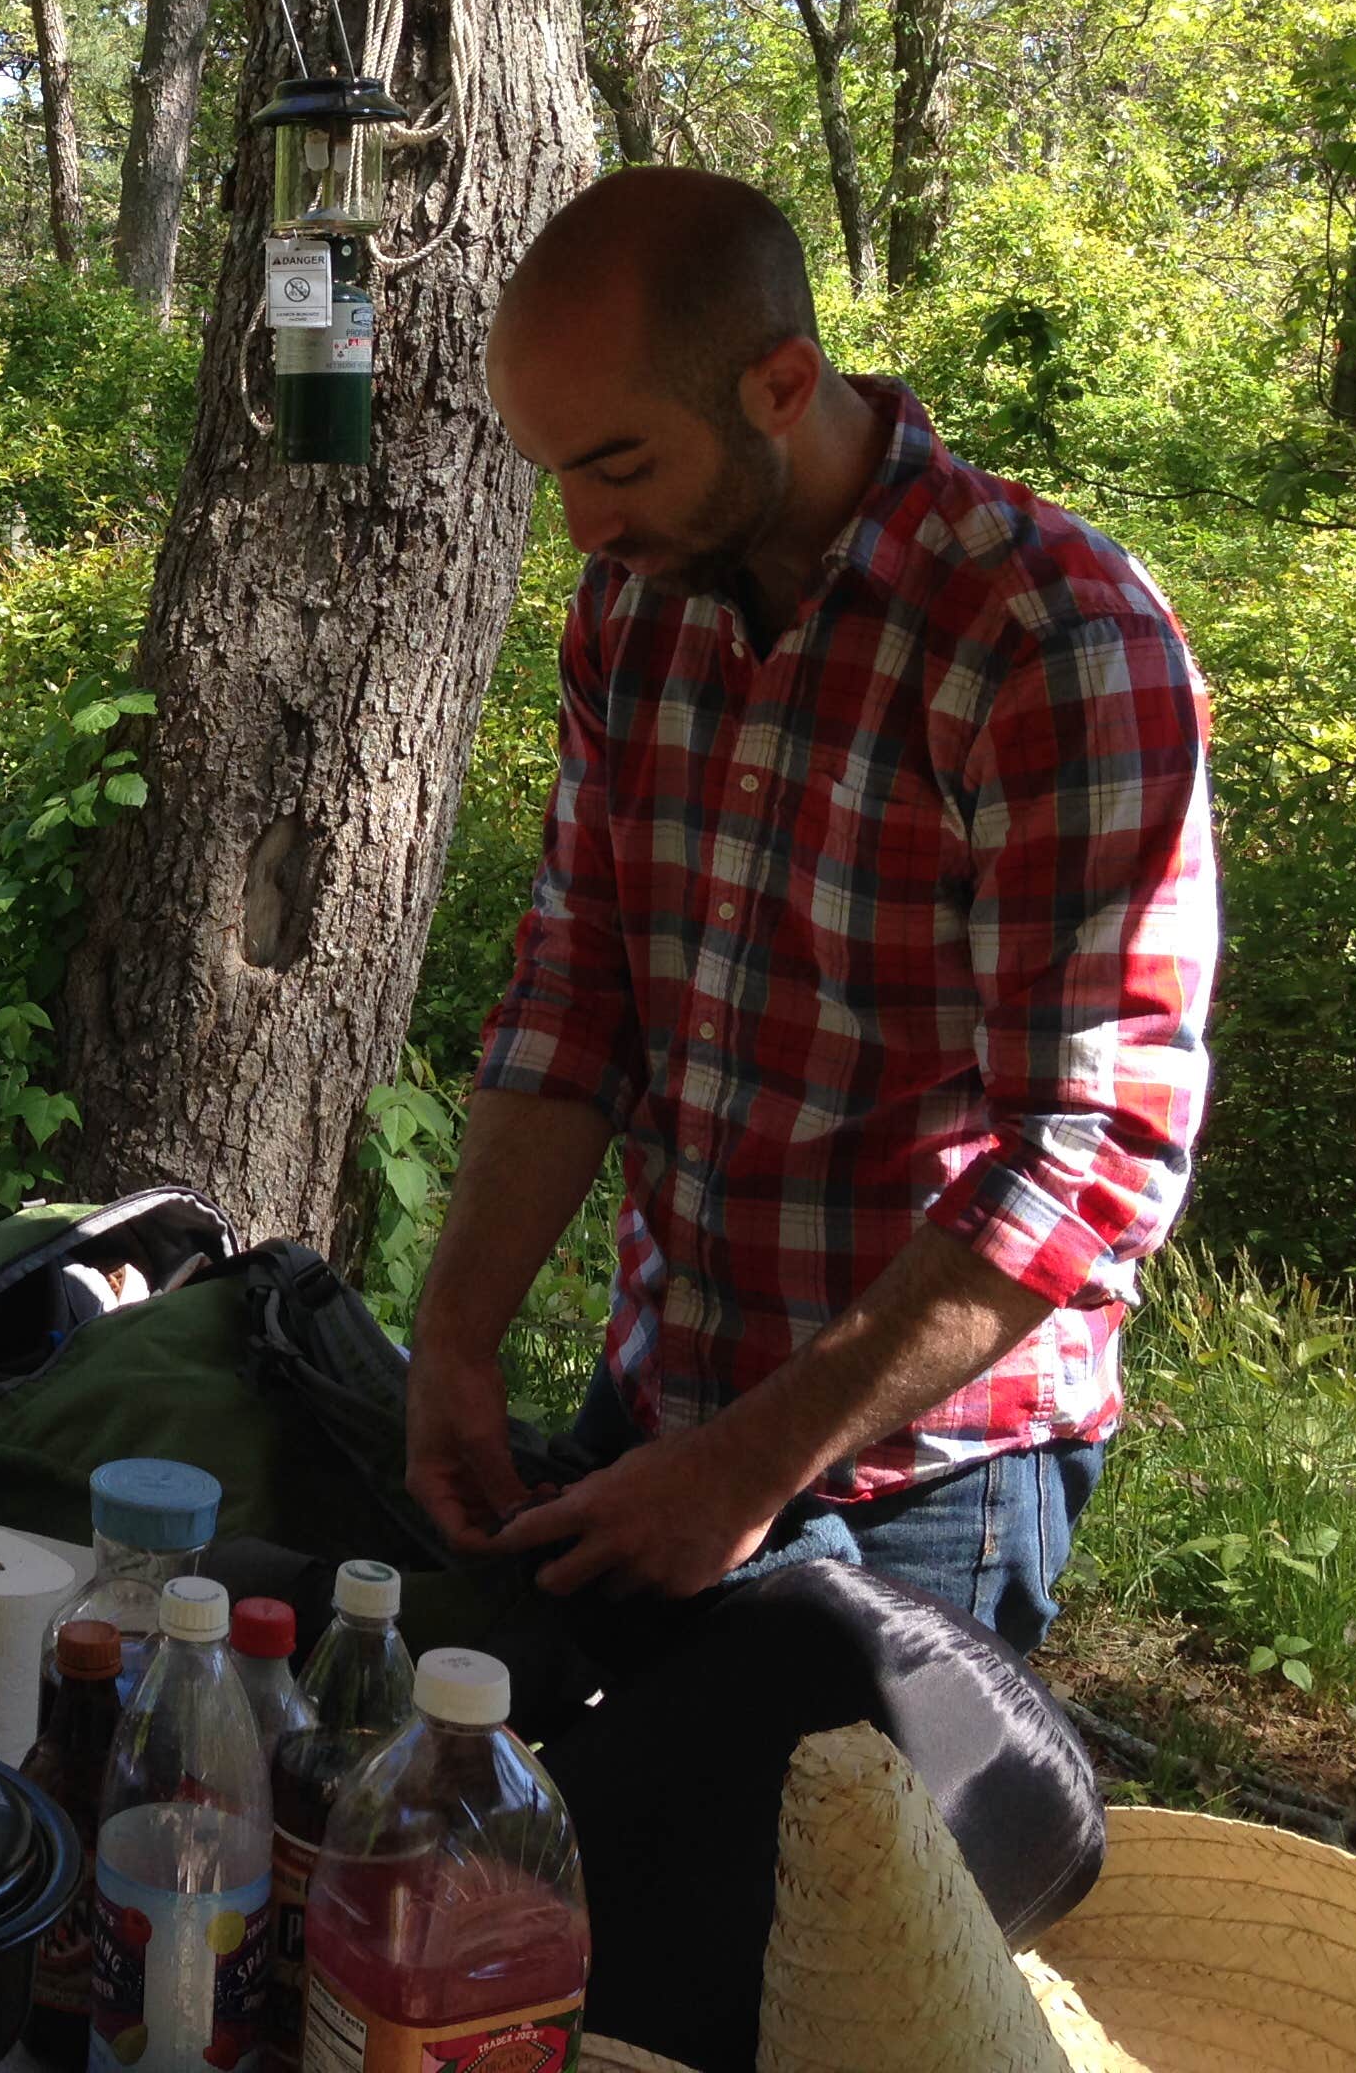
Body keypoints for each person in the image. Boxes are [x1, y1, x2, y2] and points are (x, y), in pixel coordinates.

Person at [404, 168, 1218, 1652]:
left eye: (621, 465)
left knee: (846, 1887)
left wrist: (746, 1467)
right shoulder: (638, 609)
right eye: (556, 476)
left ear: (783, 383)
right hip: (655, 1406)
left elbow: (1096, 1158)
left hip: (924, 1488)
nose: (585, 524)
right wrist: (455, 1343)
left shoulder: (1049, 639)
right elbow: (577, 993)